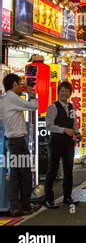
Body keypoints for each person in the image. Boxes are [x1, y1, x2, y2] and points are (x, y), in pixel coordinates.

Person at [0, 74, 41, 216]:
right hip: (18, 143)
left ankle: (15, 206)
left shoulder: (4, 99)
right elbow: (33, 106)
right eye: (19, 83)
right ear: (14, 85)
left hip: (11, 142)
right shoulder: (12, 97)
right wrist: (31, 94)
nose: (21, 86)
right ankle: (26, 205)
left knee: (15, 175)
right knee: (25, 175)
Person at [44, 81, 81, 209]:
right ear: (58, 92)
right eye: (62, 91)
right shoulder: (53, 107)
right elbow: (49, 125)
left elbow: (73, 123)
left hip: (68, 142)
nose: (64, 93)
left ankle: (67, 197)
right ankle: (48, 199)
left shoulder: (71, 107)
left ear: (70, 93)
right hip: (55, 141)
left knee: (68, 170)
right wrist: (64, 130)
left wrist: (77, 132)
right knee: (52, 171)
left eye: (66, 91)